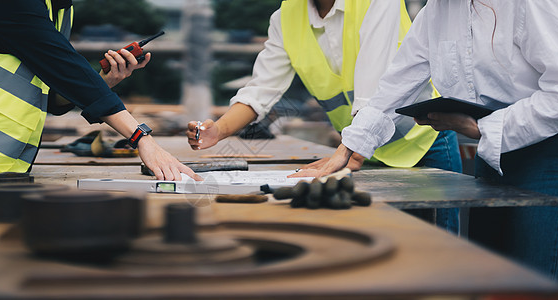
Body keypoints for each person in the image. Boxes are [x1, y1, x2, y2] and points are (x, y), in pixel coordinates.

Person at [295, 0, 558, 283]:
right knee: (489, 284)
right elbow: (395, 85)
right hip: (494, 157)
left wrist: (481, 128)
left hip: (555, 156)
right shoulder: (436, 11)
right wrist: (348, 149)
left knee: (530, 286)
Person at [186, 0, 462, 231]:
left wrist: (345, 154)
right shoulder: (286, 18)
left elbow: (372, 89)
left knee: (439, 254)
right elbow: (261, 89)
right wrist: (219, 131)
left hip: (423, 143)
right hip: (363, 156)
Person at [0, 0, 200, 193]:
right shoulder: (12, 5)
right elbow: (63, 65)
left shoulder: (58, 7)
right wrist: (141, 139)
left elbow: (51, 98)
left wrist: (105, 81)